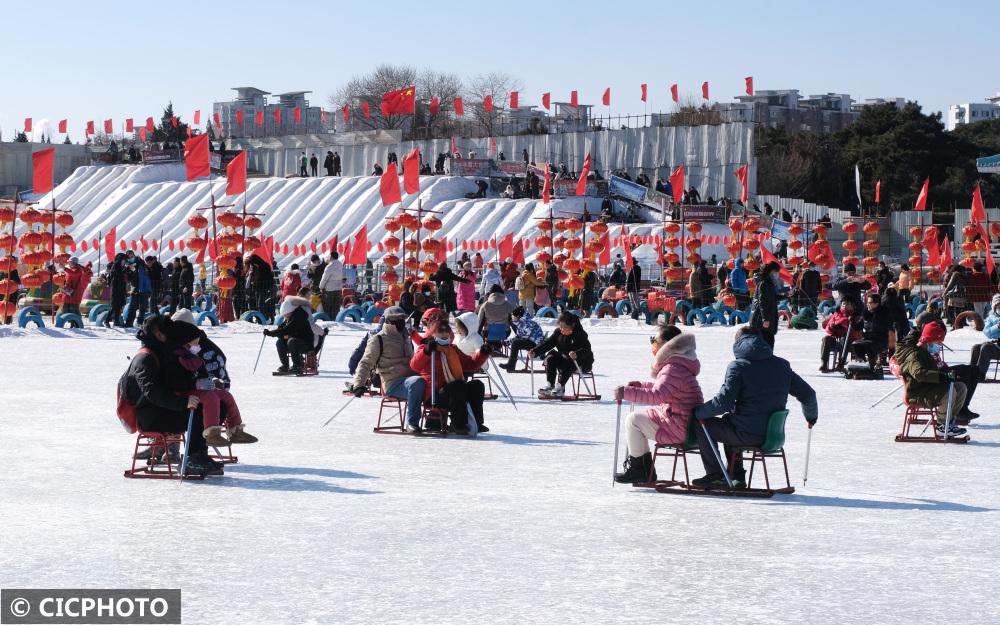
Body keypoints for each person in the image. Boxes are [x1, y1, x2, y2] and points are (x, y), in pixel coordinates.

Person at [693, 327, 817, 488]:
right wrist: (811, 417)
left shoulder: (738, 366)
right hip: (774, 436)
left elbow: (723, 403)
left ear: (737, 343)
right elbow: (808, 394)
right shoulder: (782, 366)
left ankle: (715, 475)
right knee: (728, 421)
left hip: (748, 435)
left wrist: (698, 412)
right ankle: (736, 475)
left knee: (704, 424)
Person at [122, 316, 219, 476]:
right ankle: (192, 458)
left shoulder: (162, 352)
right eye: (170, 331)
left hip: (162, 410)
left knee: (212, 403)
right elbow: (152, 392)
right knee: (198, 409)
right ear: (159, 334)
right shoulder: (145, 358)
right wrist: (183, 402)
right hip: (151, 416)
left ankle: (199, 454)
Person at [613, 325, 704, 484]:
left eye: (655, 341)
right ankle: (643, 469)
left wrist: (626, 392)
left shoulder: (673, 368)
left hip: (679, 428)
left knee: (633, 420)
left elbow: (657, 395)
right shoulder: (679, 365)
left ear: (668, 345)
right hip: (683, 423)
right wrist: (641, 385)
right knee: (640, 418)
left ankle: (639, 469)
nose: (652, 345)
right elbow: (665, 389)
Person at [163, 318, 257, 447]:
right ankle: (212, 433)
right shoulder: (174, 358)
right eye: (195, 344)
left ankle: (235, 430)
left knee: (225, 396)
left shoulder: (193, 356)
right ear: (185, 344)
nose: (198, 347)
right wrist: (196, 384)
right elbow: (175, 381)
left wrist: (210, 380)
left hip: (195, 388)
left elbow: (203, 373)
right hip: (182, 393)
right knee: (210, 397)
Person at [348, 306, 427, 432]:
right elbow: (366, 362)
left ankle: (434, 420)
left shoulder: (405, 338)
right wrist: (359, 384)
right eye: (398, 319)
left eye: (403, 319)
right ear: (389, 321)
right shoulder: (378, 339)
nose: (402, 322)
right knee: (417, 383)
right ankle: (412, 423)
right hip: (392, 383)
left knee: (431, 380)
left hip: (410, 378)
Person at [409, 320, 491, 434]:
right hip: (434, 394)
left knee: (476, 385)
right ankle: (458, 424)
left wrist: (483, 353)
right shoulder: (426, 348)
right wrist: (427, 351)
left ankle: (476, 422)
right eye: (440, 331)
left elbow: (470, 365)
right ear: (433, 334)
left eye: (447, 330)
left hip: (454, 391)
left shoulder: (453, 349)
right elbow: (414, 366)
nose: (444, 333)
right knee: (458, 386)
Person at [894, 323, 968, 437]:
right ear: (928, 340)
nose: (938, 346)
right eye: (937, 342)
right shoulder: (915, 355)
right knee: (949, 391)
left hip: (928, 387)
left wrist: (946, 374)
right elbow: (919, 374)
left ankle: (949, 420)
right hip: (918, 392)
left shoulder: (926, 352)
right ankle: (942, 425)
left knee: (961, 387)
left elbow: (932, 370)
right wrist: (941, 377)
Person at [531, 311, 594, 399]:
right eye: (561, 327)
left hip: (581, 361)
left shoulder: (580, 334)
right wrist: (535, 351)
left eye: (565, 327)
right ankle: (550, 385)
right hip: (565, 358)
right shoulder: (558, 332)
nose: (562, 329)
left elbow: (586, 349)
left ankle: (560, 387)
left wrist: (577, 354)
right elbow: (548, 344)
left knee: (568, 360)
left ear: (572, 325)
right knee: (551, 358)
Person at [265, 296, 314, 375]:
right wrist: (274, 333)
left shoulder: (298, 317)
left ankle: (297, 366)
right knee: (280, 342)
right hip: (294, 343)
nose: (284, 317)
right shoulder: (289, 317)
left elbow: (287, 330)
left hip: (306, 344)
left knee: (292, 341)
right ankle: (285, 365)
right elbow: (281, 329)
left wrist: (272, 333)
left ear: (290, 312)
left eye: (285, 315)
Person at [850, 293, 890, 370]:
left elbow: (879, 329)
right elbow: (858, 327)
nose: (868, 304)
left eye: (870, 302)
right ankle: (863, 362)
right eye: (867, 302)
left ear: (876, 304)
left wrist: (874, 316)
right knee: (855, 344)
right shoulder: (866, 314)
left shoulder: (883, 314)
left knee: (869, 345)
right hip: (867, 339)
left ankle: (872, 364)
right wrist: (852, 322)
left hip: (880, 340)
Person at [501, 306, 543, 371]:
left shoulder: (528, 323)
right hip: (530, 341)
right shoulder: (521, 323)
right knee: (516, 343)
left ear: (518, 316)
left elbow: (523, 336)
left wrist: (511, 342)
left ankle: (510, 365)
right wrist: (508, 342)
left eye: (513, 316)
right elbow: (519, 336)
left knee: (516, 343)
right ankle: (511, 365)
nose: (512, 318)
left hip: (536, 344)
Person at [750, 261, 785, 336]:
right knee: (762, 343)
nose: (777, 274)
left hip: (767, 318)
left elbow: (771, 298)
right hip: (760, 320)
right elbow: (762, 301)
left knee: (767, 343)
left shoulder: (769, 283)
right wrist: (765, 319)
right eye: (776, 272)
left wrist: (786, 296)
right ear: (770, 272)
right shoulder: (764, 283)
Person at [972, 294, 1000, 381]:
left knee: (986, 348)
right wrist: (997, 327)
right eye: (998, 306)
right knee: (976, 347)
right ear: (994, 307)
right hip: (995, 344)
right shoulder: (991, 317)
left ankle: (980, 375)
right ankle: (971, 372)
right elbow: (987, 332)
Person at [125, 254, 153, 327]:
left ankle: (130, 322)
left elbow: (130, 278)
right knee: (140, 307)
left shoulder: (139, 267)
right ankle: (137, 322)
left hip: (138, 289)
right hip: (142, 289)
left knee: (134, 307)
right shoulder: (144, 267)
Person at [318, 252, 344, 317]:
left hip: (329, 290)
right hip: (338, 289)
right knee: (336, 307)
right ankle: (336, 320)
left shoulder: (329, 266)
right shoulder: (341, 265)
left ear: (331, 257)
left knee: (328, 307)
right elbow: (343, 276)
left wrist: (321, 286)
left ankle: (329, 321)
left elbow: (324, 278)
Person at [107, 253, 129, 327]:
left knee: (119, 305)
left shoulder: (122, 266)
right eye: (124, 260)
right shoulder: (116, 265)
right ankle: (106, 320)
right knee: (114, 305)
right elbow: (116, 274)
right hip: (116, 287)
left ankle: (116, 321)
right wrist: (126, 269)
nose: (124, 262)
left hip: (121, 288)